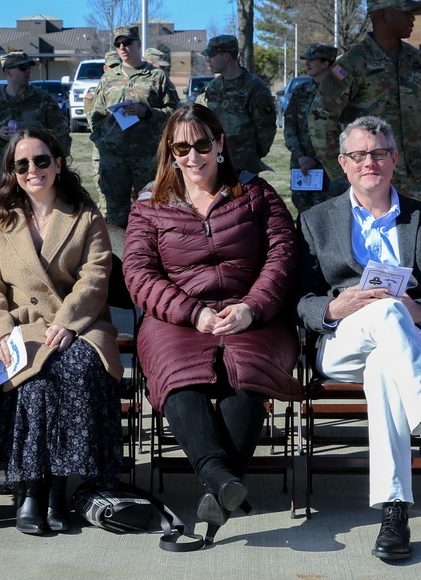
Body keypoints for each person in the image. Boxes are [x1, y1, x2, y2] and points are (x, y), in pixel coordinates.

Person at [296, 115, 421, 562]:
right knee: (382, 311)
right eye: (360, 155)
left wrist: (420, 310)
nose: (371, 162)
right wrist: (331, 308)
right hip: (342, 341)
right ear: (342, 163)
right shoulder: (315, 220)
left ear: (395, 159)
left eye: (380, 153)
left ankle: (394, 511)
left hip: (409, 341)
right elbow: (299, 298)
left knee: (387, 359)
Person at [122, 103, 301, 539]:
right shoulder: (150, 206)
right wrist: (192, 312)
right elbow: (138, 273)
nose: (193, 155)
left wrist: (252, 307)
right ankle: (223, 480)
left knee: (248, 373)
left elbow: (283, 256)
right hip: (177, 318)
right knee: (179, 377)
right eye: (181, 146)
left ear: (220, 144)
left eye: (202, 144)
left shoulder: (257, 193)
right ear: (170, 151)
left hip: (253, 313)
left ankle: (218, 483)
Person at [0, 127, 123, 536]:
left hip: (81, 325)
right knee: (33, 380)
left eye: (41, 160)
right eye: (21, 164)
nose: (32, 170)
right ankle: (32, 490)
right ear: (11, 172)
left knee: (72, 369)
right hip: (22, 329)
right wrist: (0, 333)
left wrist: (67, 323)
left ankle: (58, 489)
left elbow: (95, 277)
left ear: (58, 163)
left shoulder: (85, 215)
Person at [309, 0, 421, 204]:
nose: (412, 18)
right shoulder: (354, 63)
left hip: (413, 179)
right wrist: (341, 171)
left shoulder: (416, 61)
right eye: (405, 12)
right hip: (369, 177)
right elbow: (321, 116)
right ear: (382, 15)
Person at [88, 26, 179, 227]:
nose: (123, 48)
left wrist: (146, 112)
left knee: (151, 210)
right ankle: (119, 257)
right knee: (115, 212)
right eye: (118, 44)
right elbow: (96, 115)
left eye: (127, 43)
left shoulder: (156, 77)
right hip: (114, 158)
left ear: (138, 44)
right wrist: (101, 142)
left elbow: (174, 113)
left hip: (146, 157)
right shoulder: (108, 78)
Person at [0, 51, 70, 191]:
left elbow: (62, 136)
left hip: (38, 174)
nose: (28, 72)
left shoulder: (44, 100)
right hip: (5, 176)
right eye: (22, 68)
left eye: (29, 68)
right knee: (6, 212)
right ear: (8, 72)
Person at [195, 35, 276, 177]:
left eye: (212, 56)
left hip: (244, 165)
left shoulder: (254, 87)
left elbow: (266, 128)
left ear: (226, 56)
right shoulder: (214, 87)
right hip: (216, 162)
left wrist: (254, 154)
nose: (208, 60)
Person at [284, 43, 341, 212]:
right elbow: (289, 125)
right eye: (306, 60)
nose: (307, 63)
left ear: (325, 64)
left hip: (330, 164)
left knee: (330, 210)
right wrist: (300, 156)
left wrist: (318, 158)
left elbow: (344, 130)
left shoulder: (340, 93)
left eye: (312, 60)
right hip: (301, 164)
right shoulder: (301, 92)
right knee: (303, 209)